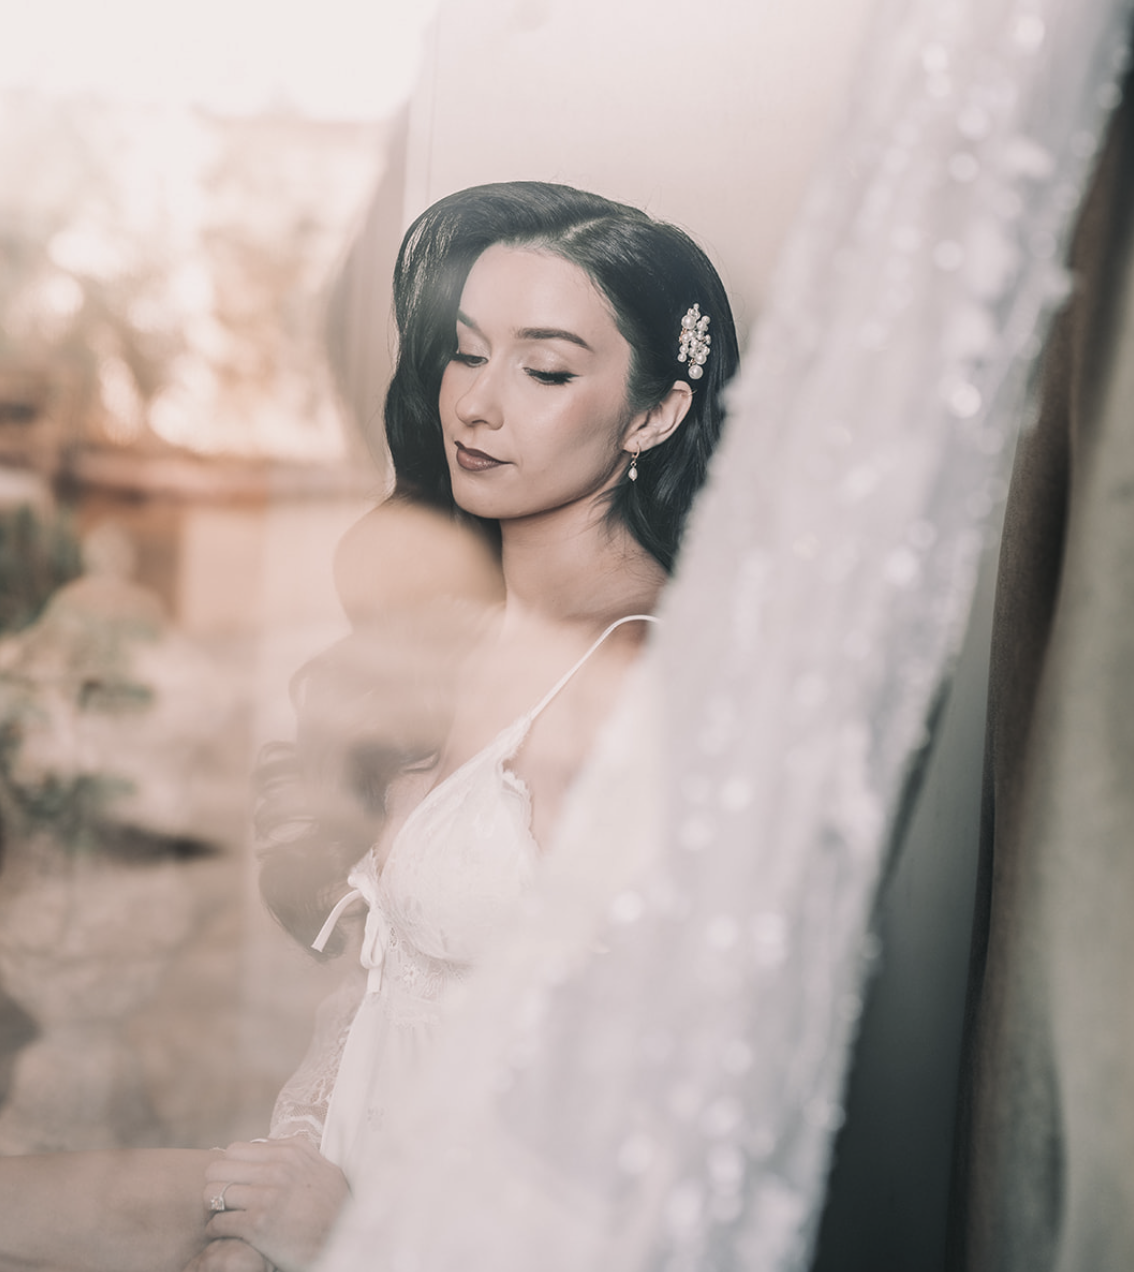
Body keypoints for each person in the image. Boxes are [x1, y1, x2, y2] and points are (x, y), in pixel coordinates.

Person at [0, 181, 738, 1272]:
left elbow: (640, 1117)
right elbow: (372, 1009)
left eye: (543, 369)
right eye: (464, 352)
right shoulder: (468, 639)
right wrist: (276, 1198)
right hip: (332, 1188)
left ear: (653, 414)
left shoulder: (631, 678)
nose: (477, 405)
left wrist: (346, 1231)